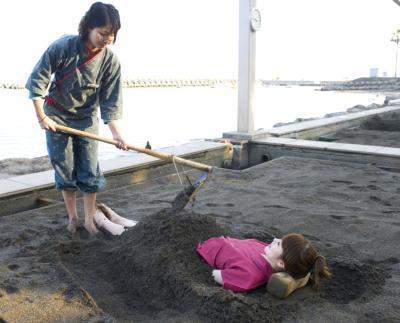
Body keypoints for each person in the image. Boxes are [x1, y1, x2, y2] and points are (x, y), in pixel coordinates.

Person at [25, 2, 127, 235]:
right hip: (56, 116)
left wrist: (116, 132)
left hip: (86, 118)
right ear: (88, 27)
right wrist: (42, 118)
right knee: (65, 168)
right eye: (102, 33)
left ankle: (90, 220)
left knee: (90, 169)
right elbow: (37, 80)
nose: (106, 39)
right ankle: (73, 219)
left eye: (111, 35)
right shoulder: (63, 47)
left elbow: (110, 100)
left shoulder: (111, 61)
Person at [196, 233, 332, 293]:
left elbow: (211, 275)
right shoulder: (266, 250)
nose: (275, 239)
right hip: (217, 239)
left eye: (279, 243)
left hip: (201, 250)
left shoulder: (249, 275)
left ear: (281, 263)